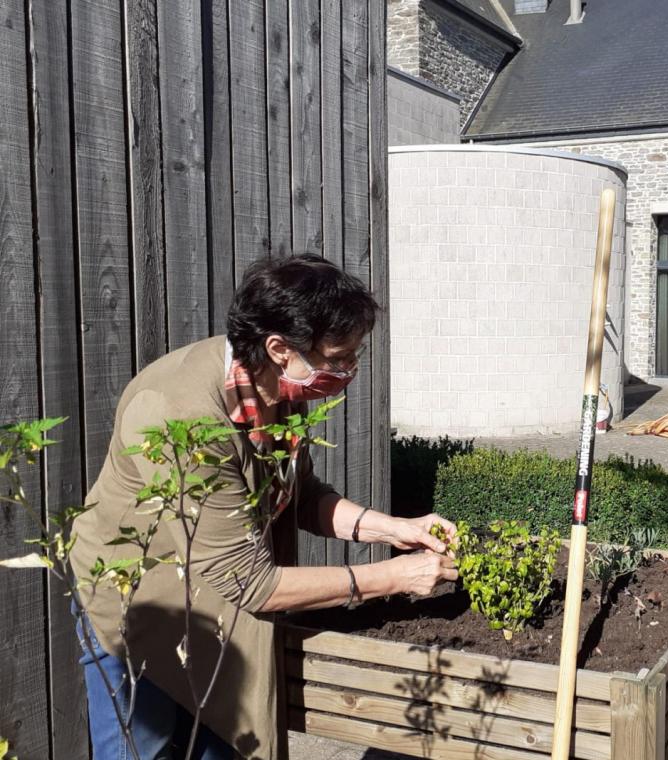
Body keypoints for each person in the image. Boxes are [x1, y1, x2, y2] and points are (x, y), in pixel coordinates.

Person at [69, 254, 459, 759]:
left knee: (222, 744)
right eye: (338, 358)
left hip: (212, 602)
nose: (348, 371)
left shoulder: (276, 385)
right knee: (143, 749)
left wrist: (393, 529)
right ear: (279, 348)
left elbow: (298, 495)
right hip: (141, 606)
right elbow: (251, 583)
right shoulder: (178, 414)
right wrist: (393, 578)